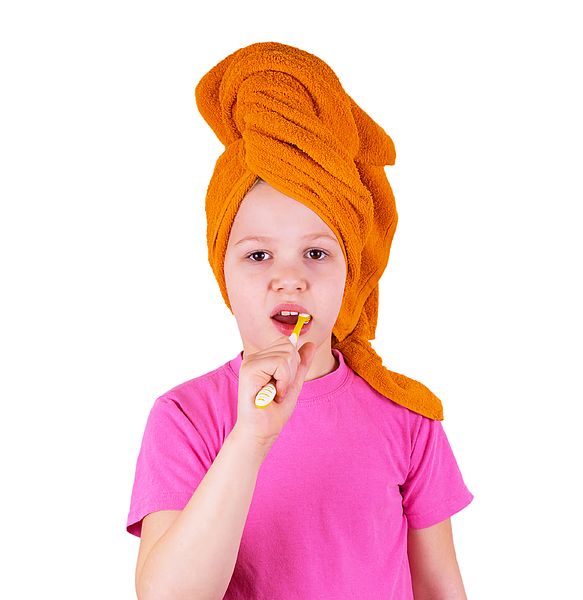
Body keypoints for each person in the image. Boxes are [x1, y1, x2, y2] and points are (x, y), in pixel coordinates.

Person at [127, 41, 474, 599]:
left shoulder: (410, 419)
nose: (289, 278)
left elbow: (440, 587)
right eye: (258, 255)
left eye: (316, 254)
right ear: (225, 276)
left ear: (351, 273)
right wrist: (250, 437)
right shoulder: (185, 418)